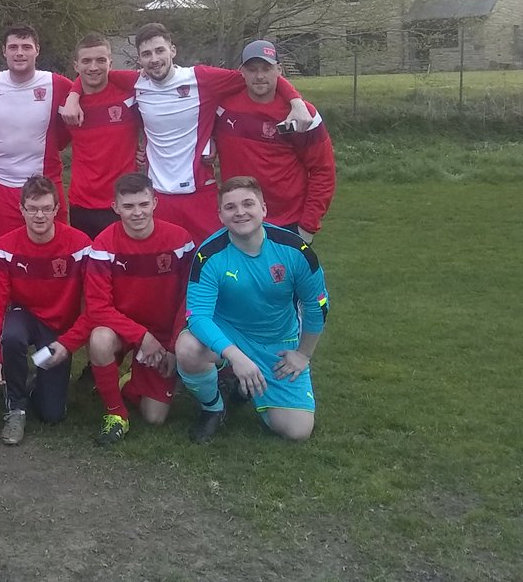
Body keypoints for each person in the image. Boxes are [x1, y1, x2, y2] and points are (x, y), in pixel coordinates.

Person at [61, 23, 311, 245]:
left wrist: (295, 100)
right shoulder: (136, 82)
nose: (154, 59)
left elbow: (257, 76)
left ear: (173, 50)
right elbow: (92, 74)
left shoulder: (200, 78)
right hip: (157, 195)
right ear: (139, 60)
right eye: (146, 54)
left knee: (211, 264)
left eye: (160, 51)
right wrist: (73, 94)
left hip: (199, 192)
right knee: (164, 269)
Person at [176, 176, 330, 443]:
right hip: (229, 334)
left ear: (263, 209)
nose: (240, 212)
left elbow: (317, 305)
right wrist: (236, 357)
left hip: (277, 342)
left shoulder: (295, 250)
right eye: (231, 207)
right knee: (188, 347)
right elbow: (197, 316)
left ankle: (245, 388)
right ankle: (213, 408)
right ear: (221, 215)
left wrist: (303, 354)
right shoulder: (208, 254)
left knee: (297, 431)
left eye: (248, 204)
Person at [83, 173, 195, 446]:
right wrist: (142, 337)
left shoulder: (179, 240)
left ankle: (132, 381)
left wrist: (171, 346)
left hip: (163, 332)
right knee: (99, 338)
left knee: (154, 417)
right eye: (129, 206)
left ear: (155, 202)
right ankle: (115, 414)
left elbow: (189, 298)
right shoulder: (104, 244)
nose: (137, 213)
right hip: (123, 328)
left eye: (143, 204)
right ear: (115, 208)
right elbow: (98, 308)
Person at [0, 175, 93, 446]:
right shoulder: (5, 248)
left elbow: (94, 305)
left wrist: (68, 343)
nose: (40, 216)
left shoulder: (81, 246)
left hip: (58, 329)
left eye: (46, 208)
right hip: (24, 315)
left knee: (52, 414)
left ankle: (33, 382)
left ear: (57, 209)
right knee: (11, 336)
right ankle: (16, 408)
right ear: (21, 209)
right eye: (32, 208)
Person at [214, 40, 336, 241]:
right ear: (241, 72)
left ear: (279, 70)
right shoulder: (223, 107)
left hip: (288, 222)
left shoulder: (303, 115)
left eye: (267, 68)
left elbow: (323, 170)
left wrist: (308, 225)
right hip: (238, 219)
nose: (260, 76)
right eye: (252, 70)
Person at [0, 23, 72, 243]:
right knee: (6, 253)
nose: (20, 53)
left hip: (46, 184)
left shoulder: (55, 83)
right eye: (13, 47)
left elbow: (87, 92)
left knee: (56, 252)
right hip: (4, 187)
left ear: (37, 49)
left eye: (26, 46)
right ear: (4, 51)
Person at [63, 32, 142, 240]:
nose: (93, 67)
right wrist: (73, 94)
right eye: (86, 61)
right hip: (82, 204)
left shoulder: (131, 94)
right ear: (76, 66)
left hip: (123, 202)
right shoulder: (68, 107)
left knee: (124, 268)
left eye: (101, 60)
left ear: (111, 63)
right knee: (88, 268)